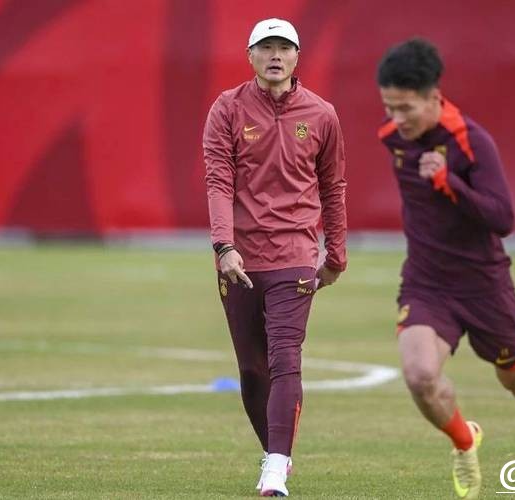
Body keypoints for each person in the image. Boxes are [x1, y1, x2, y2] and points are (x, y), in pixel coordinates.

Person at [376, 39, 515, 499]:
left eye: (406, 108)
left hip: (484, 286)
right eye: (389, 107)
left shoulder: (471, 141)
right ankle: (465, 440)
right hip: (427, 283)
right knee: (420, 377)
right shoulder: (393, 138)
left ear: (434, 97)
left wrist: (448, 182)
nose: (397, 119)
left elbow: (503, 218)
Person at [203, 18, 347, 497]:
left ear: (297, 56)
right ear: (250, 56)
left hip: (296, 255)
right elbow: (218, 181)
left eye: (284, 47)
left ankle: (275, 467)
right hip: (240, 259)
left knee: (286, 359)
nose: (275, 56)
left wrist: (336, 254)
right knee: (252, 369)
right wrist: (224, 246)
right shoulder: (227, 108)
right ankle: (276, 454)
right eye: (265, 48)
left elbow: (333, 187)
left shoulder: (322, 114)